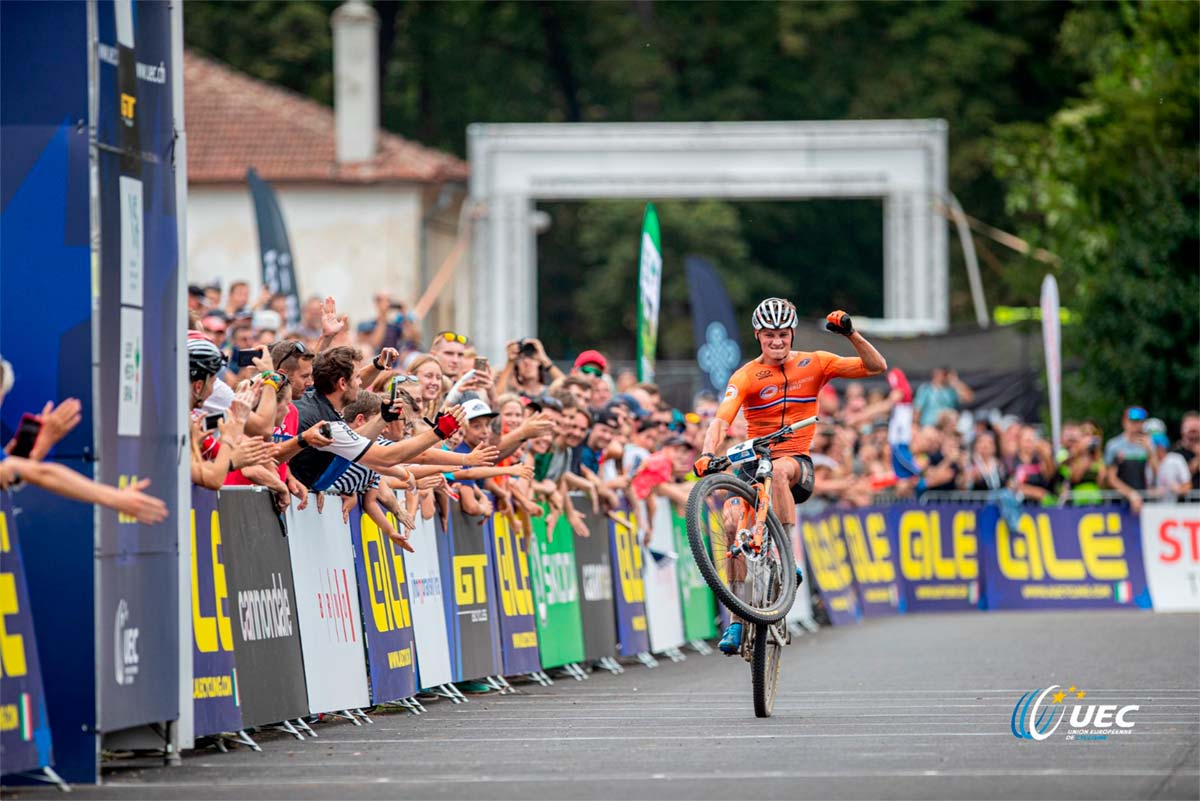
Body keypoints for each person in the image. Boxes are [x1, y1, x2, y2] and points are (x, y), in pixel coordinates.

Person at [694, 298, 886, 654]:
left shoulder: (816, 363)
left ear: (792, 333)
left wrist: (851, 334)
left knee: (778, 470)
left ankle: (787, 557)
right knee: (733, 522)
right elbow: (721, 419)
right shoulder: (747, 375)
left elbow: (876, 366)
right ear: (758, 336)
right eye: (770, 336)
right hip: (753, 462)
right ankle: (736, 621)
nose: (777, 342)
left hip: (795, 461)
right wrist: (708, 453)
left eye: (783, 335)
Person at [1103, 405, 1156, 513]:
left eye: (1140, 422)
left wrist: (1150, 452)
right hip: (1119, 503)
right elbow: (1111, 479)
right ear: (1124, 422)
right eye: (1133, 421)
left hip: (1143, 502)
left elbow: (1157, 473)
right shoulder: (1114, 445)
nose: (1136, 425)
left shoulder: (1148, 444)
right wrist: (1131, 494)